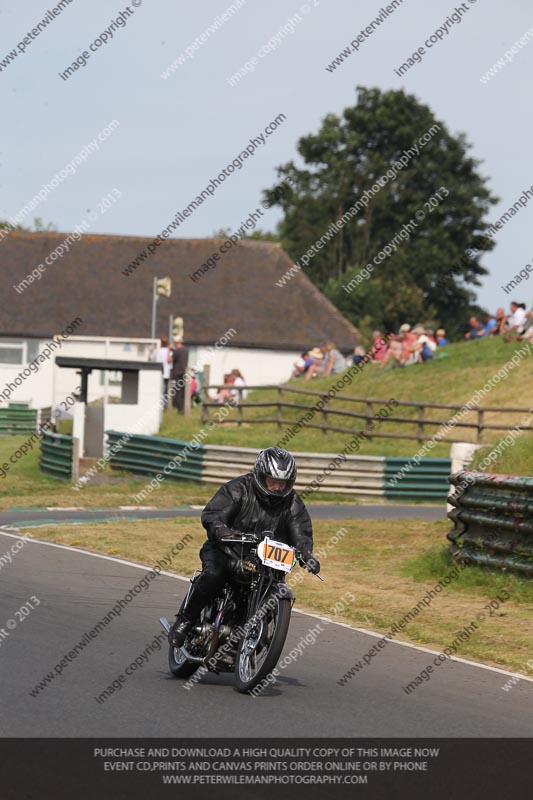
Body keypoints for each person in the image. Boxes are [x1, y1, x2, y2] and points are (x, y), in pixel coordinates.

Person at [168, 447, 320, 647]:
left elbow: (300, 531)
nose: (277, 488)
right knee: (214, 574)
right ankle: (185, 620)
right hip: (226, 551)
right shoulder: (238, 488)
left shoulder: (292, 502)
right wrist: (220, 528)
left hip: (264, 562)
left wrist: (306, 553)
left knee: (271, 585)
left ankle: (254, 630)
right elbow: (214, 514)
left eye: (282, 483)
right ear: (260, 475)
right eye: (272, 481)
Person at [171, 338, 189, 413]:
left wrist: (170, 350)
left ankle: (180, 409)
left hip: (177, 372)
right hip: (184, 372)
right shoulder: (186, 350)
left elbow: (170, 360)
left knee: (178, 391)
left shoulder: (176, 351)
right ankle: (184, 408)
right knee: (184, 391)